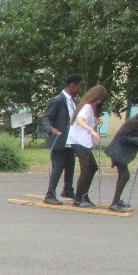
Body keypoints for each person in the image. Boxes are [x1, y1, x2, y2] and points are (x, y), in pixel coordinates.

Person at [104, 101, 138, 213]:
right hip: (117, 152)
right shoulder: (134, 121)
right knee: (125, 176)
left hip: (120, 152)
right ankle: (114, 203)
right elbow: (123, 138)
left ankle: (116, 201)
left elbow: (133, 137)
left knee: (123, 176)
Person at [42, 74, 83, 205]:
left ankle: (68, 190)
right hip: (59, 140)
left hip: (70, 141)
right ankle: (50, 195)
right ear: (72, 85)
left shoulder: (75, 102)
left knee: (70, 166)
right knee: (58, 167)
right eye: (79, 86)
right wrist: (52, 129)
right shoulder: (58, 100)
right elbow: (46, 119)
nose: (80, 89)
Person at [65, 84, 108, 208]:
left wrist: (95, 121)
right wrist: (93, 131)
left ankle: (84, 195)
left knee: (93, 167)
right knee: (86, 170)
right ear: (97, 97)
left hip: (81, 141)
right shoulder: (88, 106)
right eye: (100, 99)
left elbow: (83, 119)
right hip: (80, 141)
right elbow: (80, 120)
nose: (100, 101)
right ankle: (78, 199)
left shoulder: (86, 106)